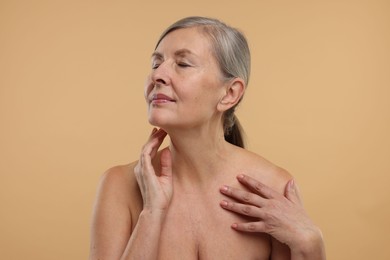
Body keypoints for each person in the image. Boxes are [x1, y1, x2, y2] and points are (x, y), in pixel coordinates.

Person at [89, 16, 325, 260]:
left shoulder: (272, 189)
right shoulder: (118, 186)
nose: (158, 75)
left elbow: (307, 245)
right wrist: (151, 213)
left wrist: (311, 245)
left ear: (230, 94)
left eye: (182, 64)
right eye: (156, 63)